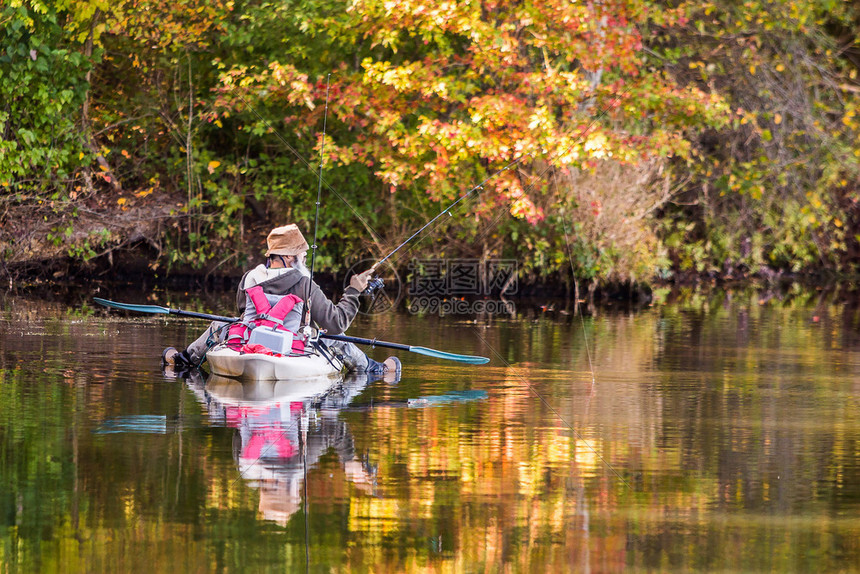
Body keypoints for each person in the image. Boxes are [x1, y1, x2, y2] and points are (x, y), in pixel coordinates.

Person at [162, 224, 400, 375]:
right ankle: (376, 369)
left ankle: (180, 361)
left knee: (220, 327)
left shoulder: (249, 278)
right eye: (302, 255)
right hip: (291, 348)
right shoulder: (305, 284)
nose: (304, 260)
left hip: (249, 341)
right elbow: (336, 323)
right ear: (287, 256)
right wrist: (353, 291)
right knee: (337, 338)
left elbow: (242, 312)